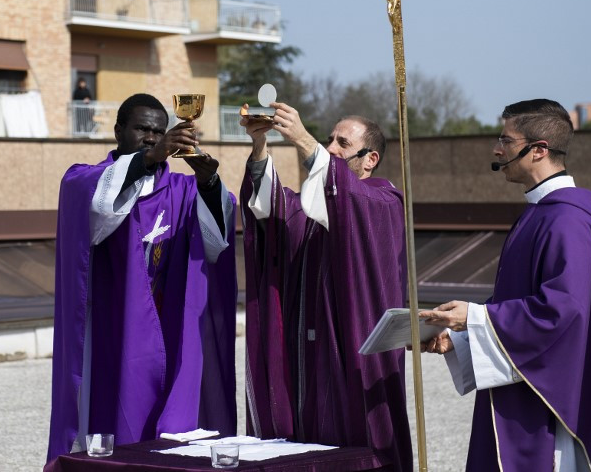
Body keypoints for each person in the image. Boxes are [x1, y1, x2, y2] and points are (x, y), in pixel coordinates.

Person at [420, 99, 591, 471]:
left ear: (539, 150)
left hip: (557, 409)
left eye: (506, 140)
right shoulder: (542, 213)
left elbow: (562, 312)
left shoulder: (567, 220)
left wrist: (476, 318)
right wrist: (460, 336)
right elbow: (521, 299)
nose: (497, 149)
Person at [47, 93, 237, 463]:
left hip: (169, 326)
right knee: (111, 429)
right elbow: (97, 214)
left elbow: (216, 242)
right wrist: (149, 158)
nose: (151, 137)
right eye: (142, 129)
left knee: (169, 432)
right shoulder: (87, 180)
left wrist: (208, 181)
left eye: (159, 132)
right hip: (111, 330)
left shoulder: (183, 190)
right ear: (118, 131)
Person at [239, 102, 412, 471]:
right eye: (329, 140)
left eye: (342, 144)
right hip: (303, 355)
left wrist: (303, 139)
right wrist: (260, 145)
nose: (331, 148)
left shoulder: (381, 201)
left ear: (371, 159)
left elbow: (346, 197)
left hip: (349, 352)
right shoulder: (311, 205)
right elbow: (273, 209)